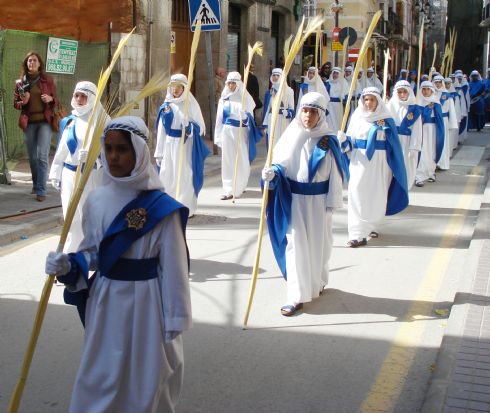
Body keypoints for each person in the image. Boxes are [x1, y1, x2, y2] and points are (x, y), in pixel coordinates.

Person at [44, 116, 191, 413]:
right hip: (106, 300)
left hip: (148, 303)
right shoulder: (96, 200)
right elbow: (93, 253)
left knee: (146, 377)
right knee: (102, 373)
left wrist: (175, 316)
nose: (113, 156)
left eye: (122, 149)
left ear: (139, 152)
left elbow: (175, 268)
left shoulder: (160, 207)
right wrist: (69, 265)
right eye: (108, 148)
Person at [261, 92, 345, 316]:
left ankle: (317, 281)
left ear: (321, 114)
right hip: (295, 201)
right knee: (295, 245)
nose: (308, 116)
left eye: (313, 111)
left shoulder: (328, 141)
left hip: (319, 203)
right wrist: (271, 175)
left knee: (320, 246)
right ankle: (296, 296)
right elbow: (279, 165)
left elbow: (336, 177)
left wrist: (332, 203)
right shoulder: (291, 136)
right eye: (305, 111)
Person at [343, 87, 408, 247]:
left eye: (372, 99)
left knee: (377, 193)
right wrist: (343, 140)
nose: (368, 102)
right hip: (360, 160)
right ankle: (356, 232)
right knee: (356, 191)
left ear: (378, 101)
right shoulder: (357, 117)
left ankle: (372, 224)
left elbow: (394, 145)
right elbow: (350, 142)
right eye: (366, 99)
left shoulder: (386, 119)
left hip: (380, 162)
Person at [49, 81, 109, 252]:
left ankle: (90, 254)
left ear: (91, 98)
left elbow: (110, 152)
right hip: (69, 175)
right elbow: (61, 149)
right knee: (70, 217)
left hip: (90, 176)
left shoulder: (102, 122)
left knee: (88, 217)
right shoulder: (68, 121)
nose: (80, 99)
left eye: (84, 96)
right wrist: (55, 172)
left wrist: (94, 158)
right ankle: (70, 257)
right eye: (77, 95)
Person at [154, 74, 210, 217]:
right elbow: (161, 131)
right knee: (168, 174)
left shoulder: (190, 104)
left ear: (184, 88)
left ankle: (185, 206)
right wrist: (158, 152)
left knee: (184, 174)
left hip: (185, 145)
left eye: (178, 87)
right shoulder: (166, 106)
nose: (175, 90)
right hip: (169, 145)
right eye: (173, 87)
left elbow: (201, 128)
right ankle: (168, 206)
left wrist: (190, 126)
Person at [14, 51, 58, 202]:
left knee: (42, 157)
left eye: (34, 60)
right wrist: (23, 102)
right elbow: (16, 104)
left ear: (39, 64)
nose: (31, 63)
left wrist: (50, 98)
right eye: (29, 61)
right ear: (26, 64)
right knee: (32, 158)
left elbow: (56, 101)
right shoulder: (20, 83)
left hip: (45, 122)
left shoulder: (47, 80)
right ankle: (35, 183)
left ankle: (41, 190)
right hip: (29, 123)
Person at [214, 72, 261, 200]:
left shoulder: (245, 98)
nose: (230, 85)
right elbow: (219, 119)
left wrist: (245, 116)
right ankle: (229, 188)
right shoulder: (224, 99)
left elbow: (251, 115)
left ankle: (240, 186)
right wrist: (218, 136)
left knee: (241, 160)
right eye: (229, 82)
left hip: (241, 132)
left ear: (238, 84)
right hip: (227, 132)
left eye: (233, 83)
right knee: (228, 160)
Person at [386, 80, 423, 190]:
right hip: (393, 141)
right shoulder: (389, 106)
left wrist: (414, 147)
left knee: (406, 168)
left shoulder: (414, 109)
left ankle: (403, 192)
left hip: (407, 143)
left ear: (409, 92)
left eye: (404, 92)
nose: (402, 94)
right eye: (399, 92)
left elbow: (417, 130)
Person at [414, 81, 445, 187]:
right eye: (423, 89)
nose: (426, 91)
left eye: (428, 89)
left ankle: (431, 172)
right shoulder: (417, 103)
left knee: (432, 151)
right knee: (422, 152)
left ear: (431, 90)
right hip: (421, 129)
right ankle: (419, 176)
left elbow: (439, 119)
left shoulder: (436, 103)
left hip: (433, 130)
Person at [262, 68, 295, 148]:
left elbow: (292, 108)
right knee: (271, 142)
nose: (275, 77)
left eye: (278, 75)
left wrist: (287, 113)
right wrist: (265, 124)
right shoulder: (269, 92)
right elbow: (267, 109)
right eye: (273, 75)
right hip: (271, 119)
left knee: (282, 142)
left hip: (282, 120)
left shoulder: (289, 91)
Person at [433, 75, 458, 170]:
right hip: (433, 121)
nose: (438, 84)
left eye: (439, 82)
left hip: (444, 120)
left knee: (443, 141)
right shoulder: (430, 94)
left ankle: (442, 163)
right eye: (436, 82)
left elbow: (451, 110)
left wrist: (453, 123)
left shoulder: (447, 95)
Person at [325, 66, 348, 134]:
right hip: (329, 104)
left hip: (338, 105)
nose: (335, 75)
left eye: (337, 73)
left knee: (337, 119)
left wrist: (342, 95)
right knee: (329, 119)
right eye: (334, 73)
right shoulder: (328, 83)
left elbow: (346, 92)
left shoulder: (343, 82)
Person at [445, 76, 462, 153]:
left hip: (451, 117)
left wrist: (457, 119)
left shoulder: (455, 95)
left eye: (448, 83)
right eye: (445, 83)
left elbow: (457, 108)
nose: (446, 85)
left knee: (451, 137)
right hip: (444, 118)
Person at [454, 71, 470, 144]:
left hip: (463, 107)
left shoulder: (465, 87)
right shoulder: (453, 87)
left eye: (460, 79)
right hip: (455, 108)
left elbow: (467, 98)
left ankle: (459, 139)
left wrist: (467, 108)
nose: (459, 80)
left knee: (461, 123)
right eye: (458, 79)